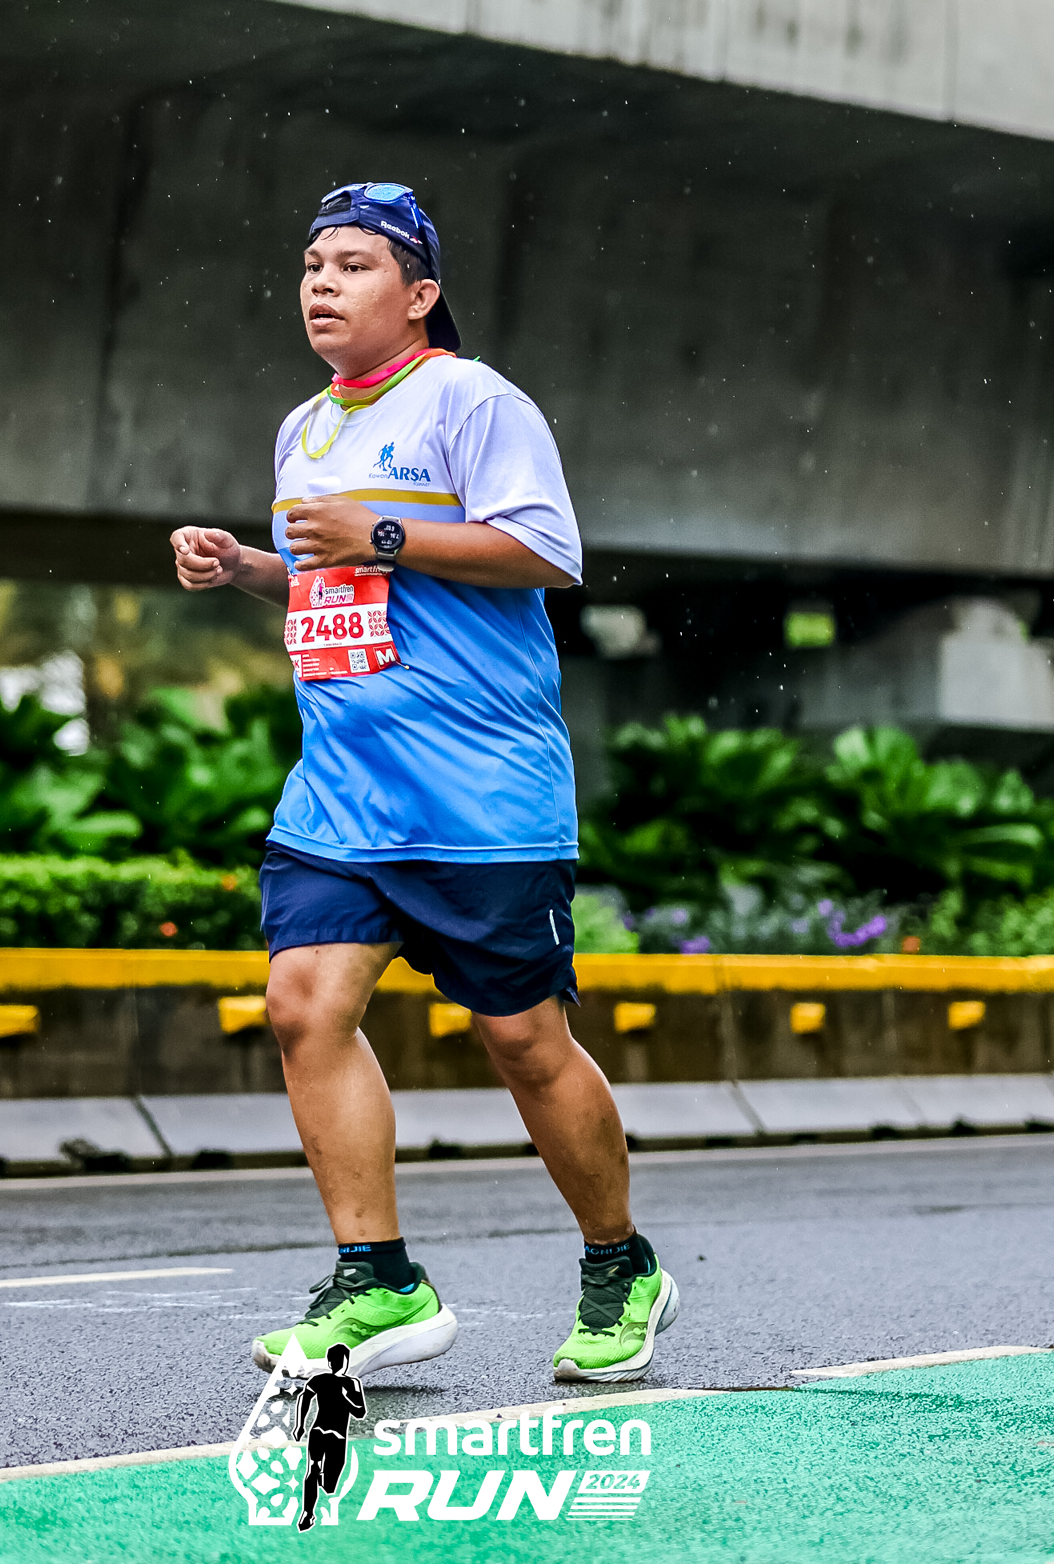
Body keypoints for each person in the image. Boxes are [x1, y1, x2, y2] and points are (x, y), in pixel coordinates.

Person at [172, 180, 678, 1383]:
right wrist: (249, 566)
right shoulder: (303, 428)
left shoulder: (471, 399)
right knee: (302, 1004)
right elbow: (333, 581)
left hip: (480, 792)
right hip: (344, 789)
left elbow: (545, 551)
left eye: (352, 265)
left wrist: (382, 533)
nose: (321, 284)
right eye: (311, 266)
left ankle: (620, 1265)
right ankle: (378, 1280)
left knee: (523, 1042)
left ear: (418, 294)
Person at [292, 1342, 366, 1530]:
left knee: (328, 1483)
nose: (340, 1363)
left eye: (340, 1360)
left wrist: (343, 1398)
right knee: (313, 1469)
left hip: (329, 1434)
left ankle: (319, 1483)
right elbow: (304, 1398)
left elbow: (360, 1412)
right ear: (332, 1362)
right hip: (325, 1432)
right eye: (338, 1360)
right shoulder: (324, 1380)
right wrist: (300, 1425)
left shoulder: (350, 1383)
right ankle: (308, 1512)